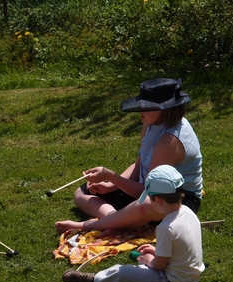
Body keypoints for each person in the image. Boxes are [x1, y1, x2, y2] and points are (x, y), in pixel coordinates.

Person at [55, 77, 203, 234]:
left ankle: (91, 225)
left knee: (147, 206)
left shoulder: (169, 140)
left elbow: (149, 190)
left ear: (164, 109)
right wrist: (111, 185)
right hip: (146, 188)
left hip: (177, 197)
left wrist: (111, 177)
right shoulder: (149, 125)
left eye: (147, 107)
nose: (140, 110)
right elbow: (139, 164)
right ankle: (116, 219)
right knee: (83, 193)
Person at [62, 165, 205, 282]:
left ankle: (93, 281)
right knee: (140, 270)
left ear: (159, 201)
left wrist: (150, 260)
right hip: (192, 276)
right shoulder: (188, 212)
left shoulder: (166, 227)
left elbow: (159, 264)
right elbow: (180, 250)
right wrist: (157, 252)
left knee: (123, 272)